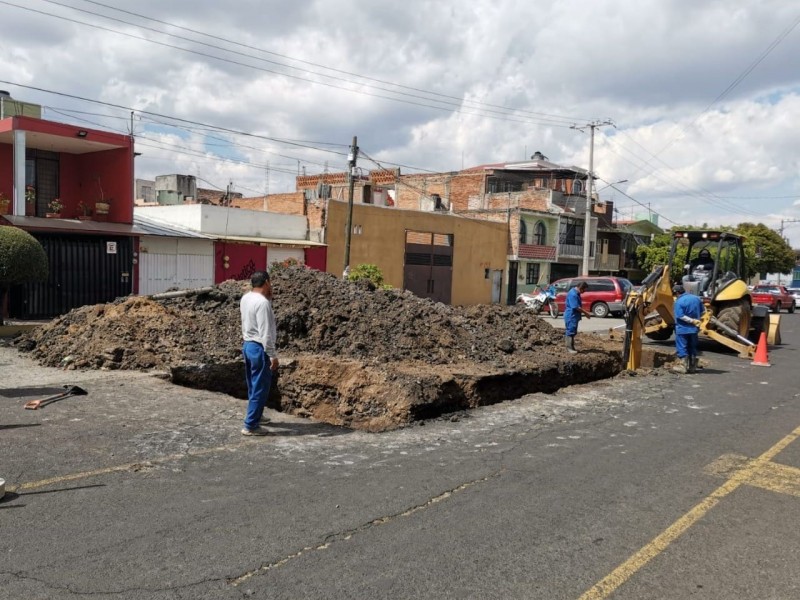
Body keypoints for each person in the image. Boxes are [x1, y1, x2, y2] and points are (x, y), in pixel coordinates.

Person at [239, 270, 280, 436]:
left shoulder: (246, 298)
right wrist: (272, 354)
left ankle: (257, 415)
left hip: (248, 345)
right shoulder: (262, 303)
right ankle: (250, 426)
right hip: (259, 347)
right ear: (267, 282)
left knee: (253, 385)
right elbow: (265, 332)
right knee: (260, 387)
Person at [672, 284, 705, 374]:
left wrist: (691, 320)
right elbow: (703, 311)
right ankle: (692, 367)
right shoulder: (696, 298)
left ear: (677, 293)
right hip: (694, 329)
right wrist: (696, 320)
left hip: (682, 329)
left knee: (682, 346)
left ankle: (683, 366)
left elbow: (680, 316)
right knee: (692, 346)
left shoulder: (679, 302)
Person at [564, 281, 591, 353]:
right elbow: (576, 307)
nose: (584, 292)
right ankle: (569, 348)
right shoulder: (573, 294)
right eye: (584, 290)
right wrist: (586, 313)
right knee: (570, 331)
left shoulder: (575, 293)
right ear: (581, 288)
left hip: (574, 315)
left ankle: (572, 347)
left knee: (573, 331)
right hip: (571, 315)